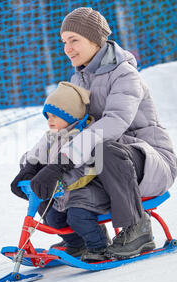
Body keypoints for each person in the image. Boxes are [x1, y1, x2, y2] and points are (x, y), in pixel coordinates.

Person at [27, 7, 177, 260]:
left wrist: (64, 159)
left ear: (95, 40)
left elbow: (114, 123)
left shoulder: (125, 74)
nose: (67, 48)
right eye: (64, 42)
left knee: (103, 149)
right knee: (51, 167)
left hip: (148, 162)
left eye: (74, 40)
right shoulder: (79, 79)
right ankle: (81, 239)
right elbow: (64, 128)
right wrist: (34, 164)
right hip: (103, 161)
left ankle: (137, 227)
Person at [11, 81, 111, 262]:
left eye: (54, 116)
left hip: (87, 192)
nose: (49, 121)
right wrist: (26, 171)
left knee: (78, 217)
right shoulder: (52, 135)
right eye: (47, 116)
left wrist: (60, 182)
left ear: (71, 115)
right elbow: (34, 154)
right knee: (53, 218)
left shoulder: (86, 136)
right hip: (64, 194)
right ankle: (76, 244)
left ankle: (100, 246)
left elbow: (88, 170)